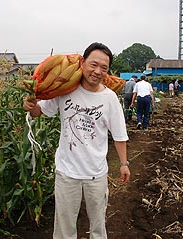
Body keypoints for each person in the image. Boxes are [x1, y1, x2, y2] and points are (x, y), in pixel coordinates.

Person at [23, 42, 130, 239]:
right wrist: (30, 105)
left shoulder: (110, 99)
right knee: (64, 229)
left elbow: (119, 134)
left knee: (98, 227)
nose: (97, 71)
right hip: (67, 172)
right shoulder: (65, 89)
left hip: (96, 174)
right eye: (93, 64)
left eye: (104, 68)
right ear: (82, 62)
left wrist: (123, 163)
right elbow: (39, 111)